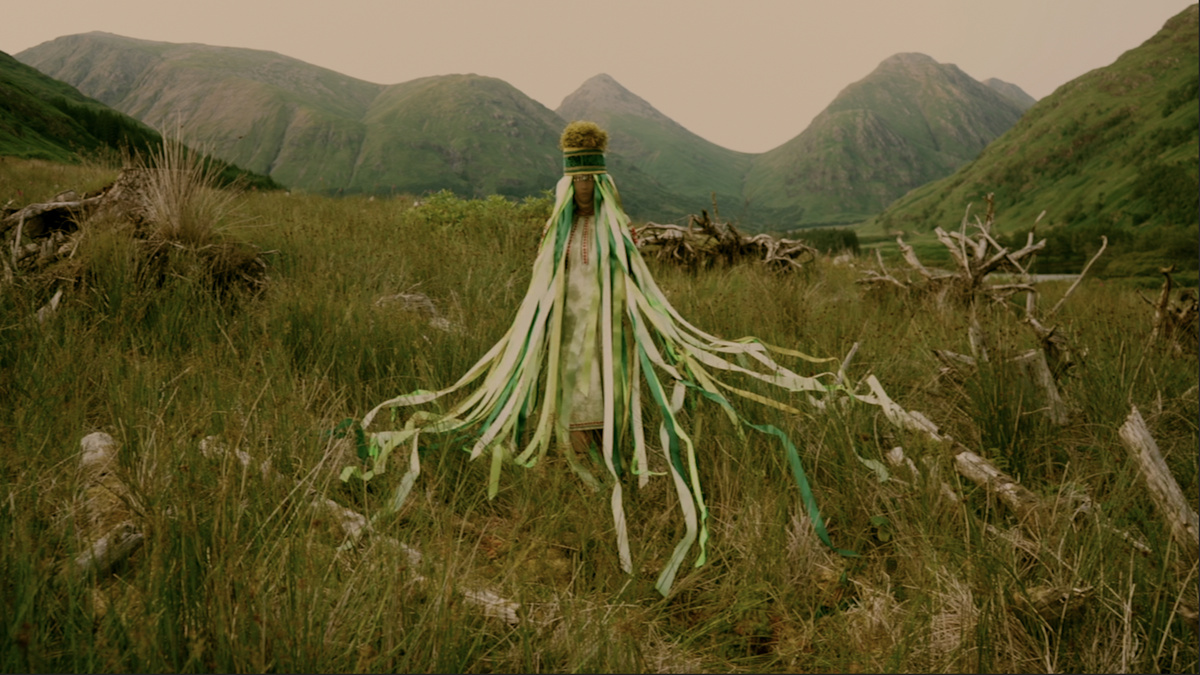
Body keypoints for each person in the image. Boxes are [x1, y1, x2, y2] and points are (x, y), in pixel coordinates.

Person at [356, 121, 846, 595]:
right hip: (568, 324)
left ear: (604, 183)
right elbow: (540, 281)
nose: (585, 188)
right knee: (570, 385)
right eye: (578, 181)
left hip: (611, 328)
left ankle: (606, 454)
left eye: (592, 180)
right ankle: (577, 462)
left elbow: (637, 284)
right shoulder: (557, 229)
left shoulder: (619, 230)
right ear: (567, 184)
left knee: (608, 387)